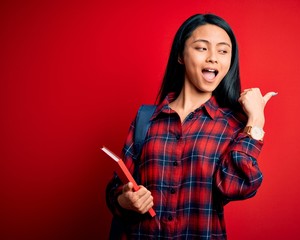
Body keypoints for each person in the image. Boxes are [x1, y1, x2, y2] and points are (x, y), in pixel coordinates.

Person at [106, 13, 277, 239]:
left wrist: (256, 121)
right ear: (180, 55)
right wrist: (124, 200)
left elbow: (236, 186)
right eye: (202, 48)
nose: (213, 58)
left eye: (223, 51)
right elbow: (116, 189)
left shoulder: (234, 125)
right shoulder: (146, 120)